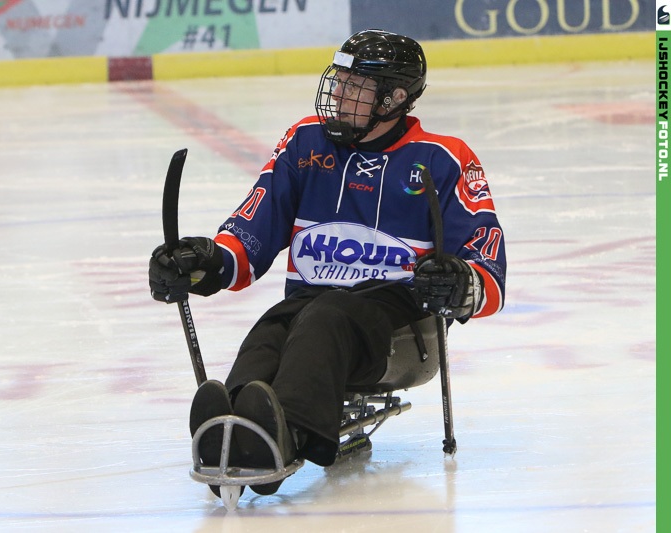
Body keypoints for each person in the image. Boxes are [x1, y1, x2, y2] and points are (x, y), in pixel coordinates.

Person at [149, 29, 506, 495]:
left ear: (394, 98)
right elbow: (252, 232)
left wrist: (463, 283)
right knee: (271, 331)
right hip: (310, 311)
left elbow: (487, 260)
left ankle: (288, 434)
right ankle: (234, 427)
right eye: (339, 81)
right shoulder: (305, 143)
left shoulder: (442, 159)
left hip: (399, 327)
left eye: (355, 87)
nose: (338, 94)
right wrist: (206, 262)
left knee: (327, 317)